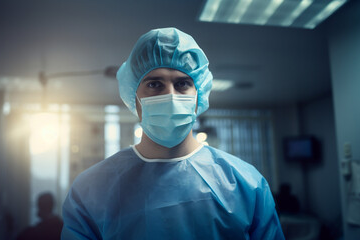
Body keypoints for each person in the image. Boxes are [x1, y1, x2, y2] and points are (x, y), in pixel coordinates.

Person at [61, 27, 285, 240]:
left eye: (183, 83)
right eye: (155, 84)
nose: (171, 96)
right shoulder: (92, 189)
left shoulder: (245, 183)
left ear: (199, 95)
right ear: (134, 97)